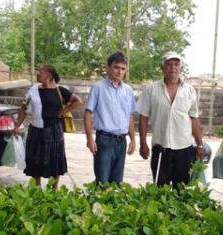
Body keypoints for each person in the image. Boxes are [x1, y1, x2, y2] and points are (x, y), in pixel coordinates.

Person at [138, 52, 204, 187]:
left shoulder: (189, 90)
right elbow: (143, 117)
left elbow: (194, 119)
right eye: (168, 64)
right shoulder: (151, 89)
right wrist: (143, 143)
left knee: (182, 189)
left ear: (180, 67)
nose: (172, 68)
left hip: (184, 149)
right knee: (160, 189)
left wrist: (200, 144)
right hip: (161, 147)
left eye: (176, 64)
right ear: (162, 67)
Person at [13, 64, 83, 189]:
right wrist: (17, 126)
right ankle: (37, 187)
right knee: (35, 159)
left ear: (49, 76)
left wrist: (63, 111)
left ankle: (54, 187)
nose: (37, 73)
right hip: (35, 130)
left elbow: (78, 101)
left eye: (40, 71)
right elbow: (23, 109)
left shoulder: (60, 90)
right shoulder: (33, 90)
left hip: (54, 131)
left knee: (54, 159)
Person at [84, 51, 137, 183]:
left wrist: (133, 139)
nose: (119, 71)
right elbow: (87, 113)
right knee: (102, 181)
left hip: (121, 141)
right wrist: (90, 138)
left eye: (123, 69)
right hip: (104, 140)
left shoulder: (128, 91)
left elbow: (129, 116)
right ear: (107, 67)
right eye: (116, 67)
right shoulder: (98, 88)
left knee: (117, 182)